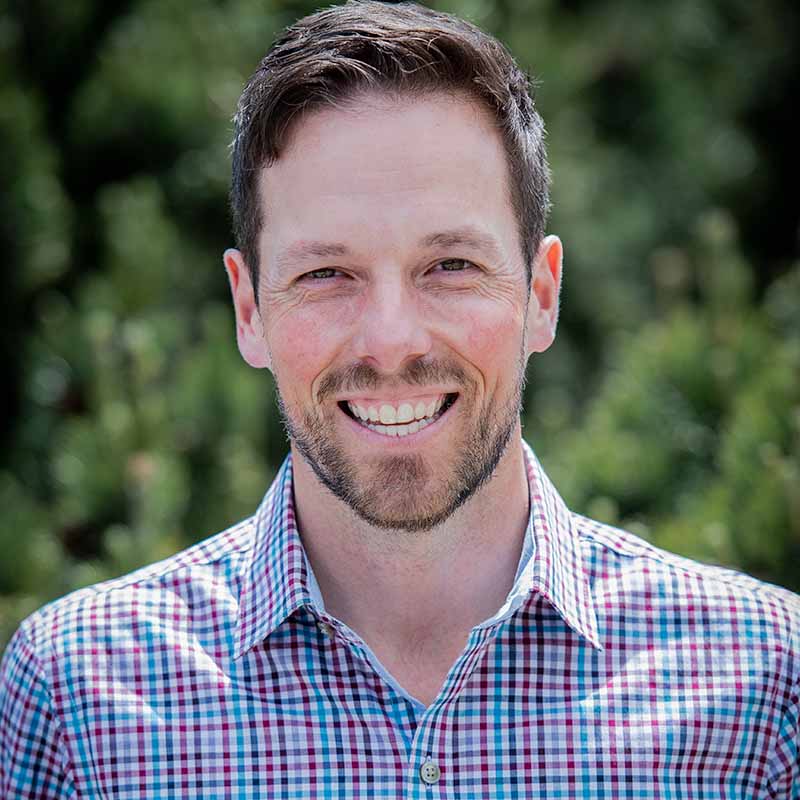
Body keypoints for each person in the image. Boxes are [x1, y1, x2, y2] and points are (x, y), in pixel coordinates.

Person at [1, 1, 798, 796]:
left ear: (542, 293)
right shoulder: (78, 702)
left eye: (450, 266)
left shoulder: (764, 690)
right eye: (326, 274)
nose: (392, 341)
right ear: (248, 310)